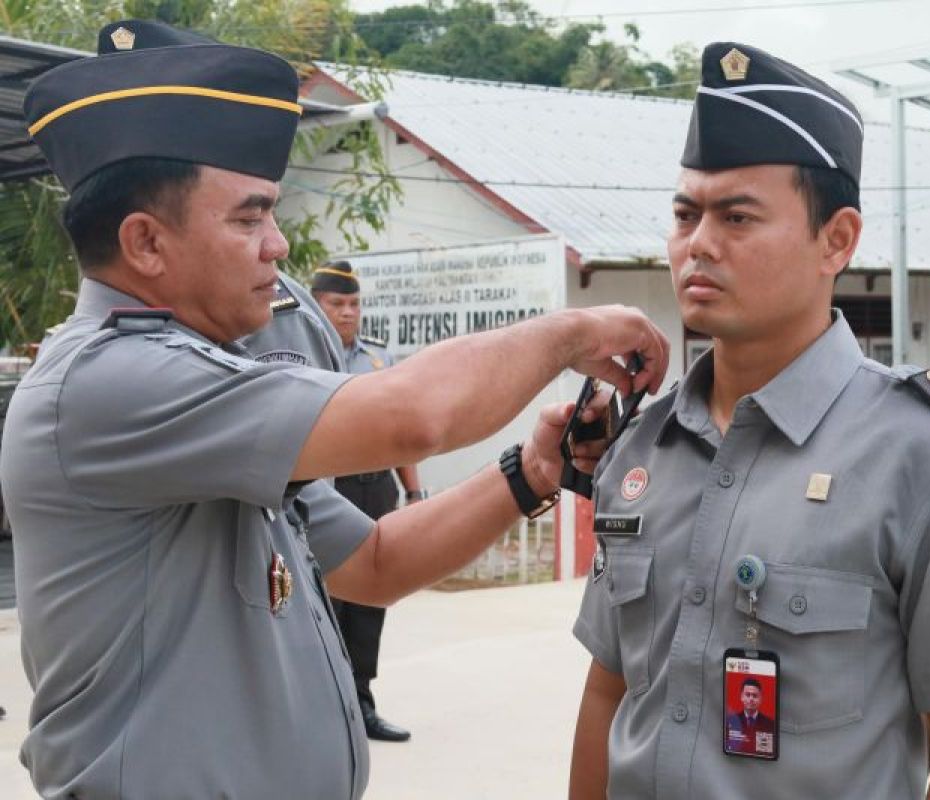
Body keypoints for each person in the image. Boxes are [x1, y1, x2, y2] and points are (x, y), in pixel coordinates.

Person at [2, 19, 668, 799]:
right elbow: (409, 416)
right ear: (146, 244)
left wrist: (530, 472)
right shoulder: (113, 380)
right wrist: (573, 329)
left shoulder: (202, 400)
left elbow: (375, 564)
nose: (278, 247)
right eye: (249, 218)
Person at [568, 42, 930, 800]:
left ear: (838, 239)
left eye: (736, 216)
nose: (699, 243)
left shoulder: (927, 455)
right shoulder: (646, 445)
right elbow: (609, 692)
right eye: (685, 213)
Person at [311, 261, 424, 742]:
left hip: (374, 487)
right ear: (317, 305)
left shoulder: (378, 360)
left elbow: (401, 433)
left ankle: (361, 704)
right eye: (337, 304)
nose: (347, 313)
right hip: (324, 487)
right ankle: (320, 710)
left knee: (371, 600)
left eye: (354, 304)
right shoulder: (304, 356)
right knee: (326, 600)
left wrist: (415, 491)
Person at [724, 678, 774, 755]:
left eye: (755, 696)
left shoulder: (770, 724)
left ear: (760, 698)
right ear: (742, 697)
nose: (751, 699)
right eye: (747, 695)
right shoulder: (731, 721)